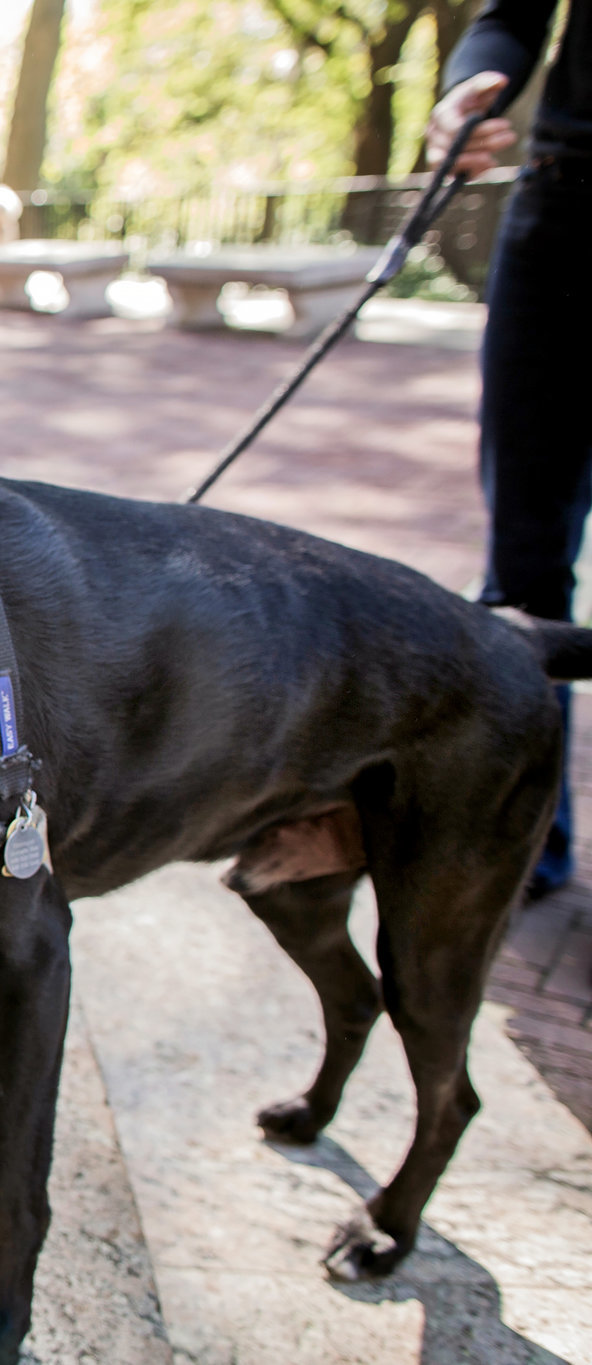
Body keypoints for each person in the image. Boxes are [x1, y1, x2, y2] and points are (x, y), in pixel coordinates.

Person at [428, 0, 591, 897]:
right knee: (525, 570)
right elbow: (511, 14)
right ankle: (522, 847)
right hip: (566, 205)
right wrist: (465, 92)